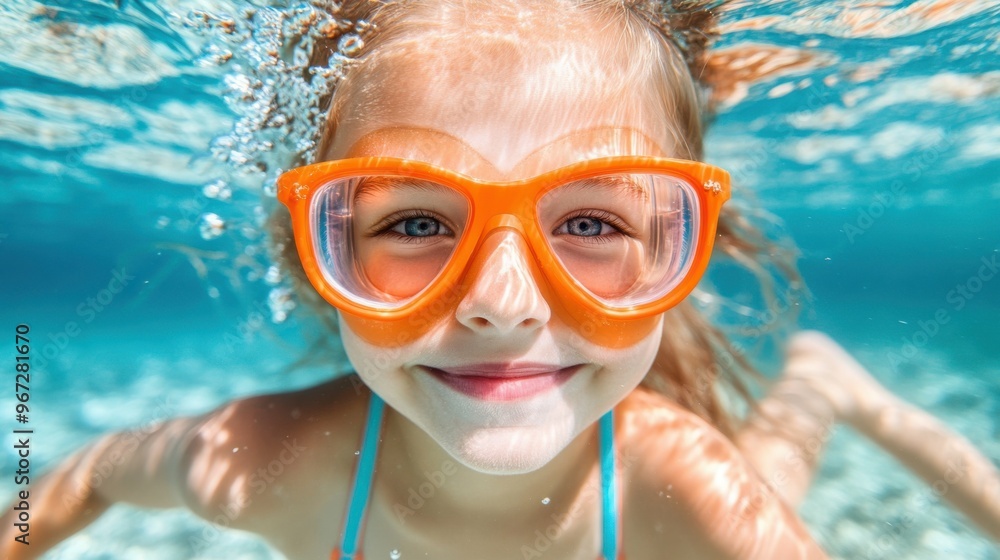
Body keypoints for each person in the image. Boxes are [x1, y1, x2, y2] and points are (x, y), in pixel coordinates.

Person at [3, 1, 998, 559]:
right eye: (420, 221)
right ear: (319, 256)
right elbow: (88, 475)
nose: (503, 297)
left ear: (677, 258)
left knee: (768, 470)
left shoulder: (686, 488)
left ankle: (819, 381)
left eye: (593, 222)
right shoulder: (269, 459)